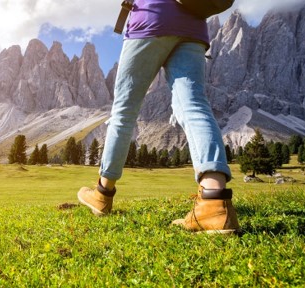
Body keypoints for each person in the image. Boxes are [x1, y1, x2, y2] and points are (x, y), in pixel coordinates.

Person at [77, 0, 240, 234]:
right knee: (194, 106)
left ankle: (102, 194)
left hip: (150, 19)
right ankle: (214, 201)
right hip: (193, 27)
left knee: (124, 112)